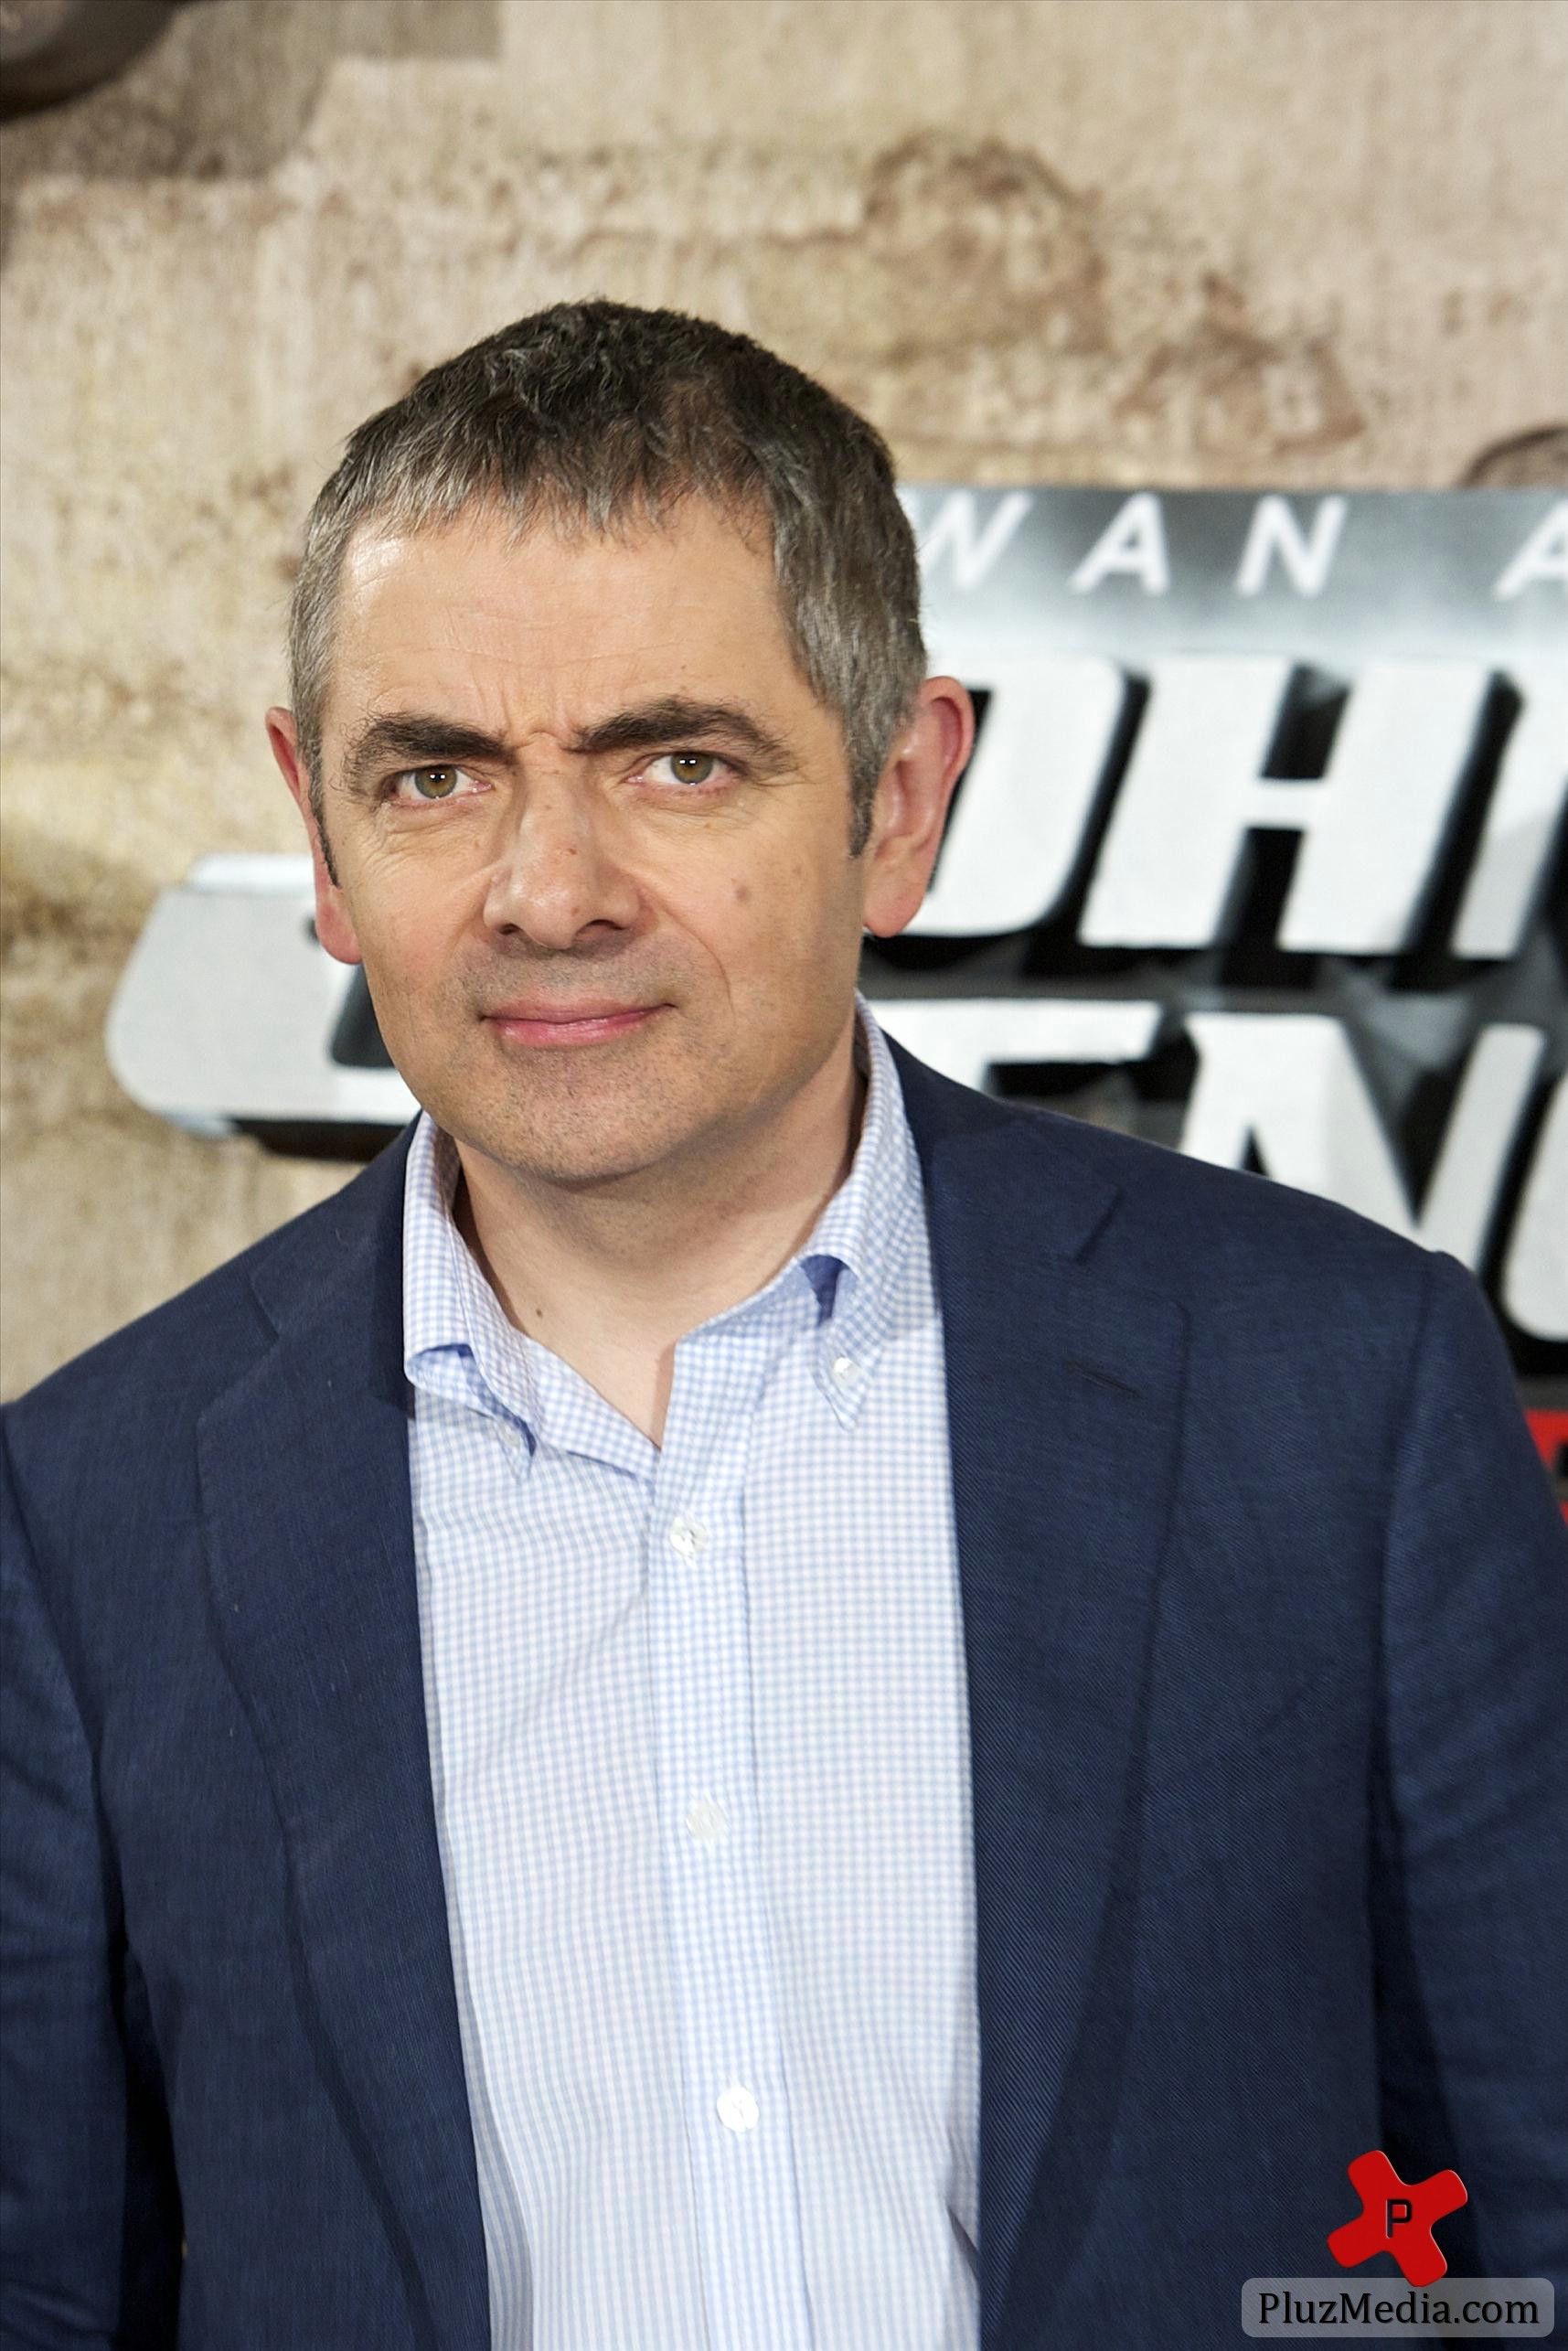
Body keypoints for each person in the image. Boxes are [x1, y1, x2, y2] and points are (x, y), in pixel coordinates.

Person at [2, 301, 1563, 2351]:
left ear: (898, 799)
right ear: (321, 835)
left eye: (679, 763)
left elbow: (1526, 2233)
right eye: (438, 775)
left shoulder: (1340, 1397)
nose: (549, 891)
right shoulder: (90, 1514)